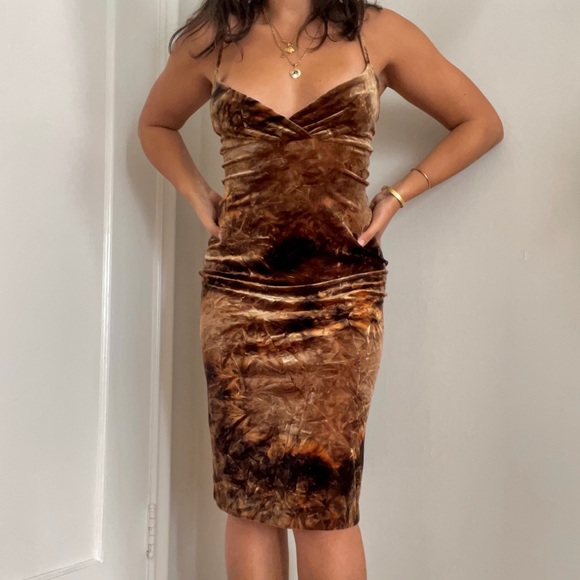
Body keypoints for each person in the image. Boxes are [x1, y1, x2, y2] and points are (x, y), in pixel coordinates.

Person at [138, 1, 503, 578]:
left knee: (325, 503)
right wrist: (196, 193)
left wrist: (398, 195)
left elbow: (480, 122)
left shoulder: (378, 31)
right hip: (240, 301)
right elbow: (155, 124)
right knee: (250, 500)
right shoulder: (214, 35)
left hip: (341, 304)